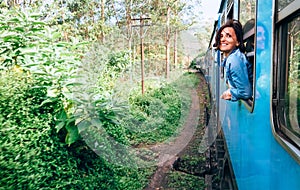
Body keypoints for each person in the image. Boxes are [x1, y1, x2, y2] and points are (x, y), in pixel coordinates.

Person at [213, 19, 253, 101]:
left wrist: (230, 92)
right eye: (221, 36)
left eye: (229, 36)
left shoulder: (234, 60)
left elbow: (245, 93)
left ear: (237, 42)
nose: (223, 39)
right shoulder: (232, 57)